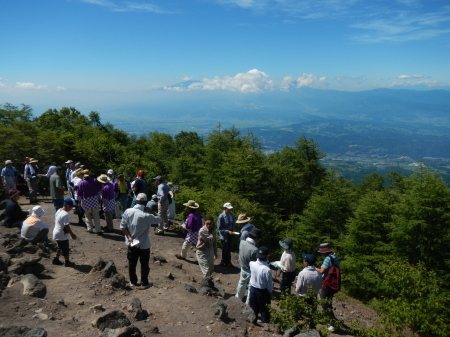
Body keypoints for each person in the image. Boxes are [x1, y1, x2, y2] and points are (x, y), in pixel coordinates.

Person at [120, 193, 161, 289]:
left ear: (136, 201)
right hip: (144, 244)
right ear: (145, 203)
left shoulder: (128, 211)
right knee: (144, 264)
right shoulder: (145, 215)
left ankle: (133, 282)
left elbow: (123, 226)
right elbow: (159, 219)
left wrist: (129, 237)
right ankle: (144, 283)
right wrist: (151, 212)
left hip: (131, 242)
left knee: (132, 263)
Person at [316, 243, 341, 332]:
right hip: (333, 283)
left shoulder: (327, 258)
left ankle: (332, 323)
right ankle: (332, 321)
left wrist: (313, 268)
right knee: (328, 302)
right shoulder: (335, 257)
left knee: (324, 302)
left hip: (327, 283)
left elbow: (322, 271)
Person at [235, 227, 261, 304]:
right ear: (256, 238)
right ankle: (248, 303)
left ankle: (238, 297)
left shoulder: (242, 242)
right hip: (251, 271)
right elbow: (256, 262)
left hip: (243, 267)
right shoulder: (254, 249)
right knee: (250, 287)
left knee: (241, 283)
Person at [249, 246, 273, 324]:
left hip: (253, 289)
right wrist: (270, 293)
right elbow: (269, 285)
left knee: (253, 308)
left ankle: (253, 322)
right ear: (267, 256)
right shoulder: (267, 269)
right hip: (262, 292)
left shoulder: (251, 264)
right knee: (265, 309)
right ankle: (265, 324)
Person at [52, 198, 77, 267]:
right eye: (72, 207)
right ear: (68, 206)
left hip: (56, 231)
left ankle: (55, 259)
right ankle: (67, 262)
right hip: (61, 233)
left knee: (60, 247)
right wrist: (72, 234)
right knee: (65, 248)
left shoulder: (59, 211)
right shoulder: (65, 214)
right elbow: (66, 225)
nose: (72, 209)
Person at [77, 170, 102, 234]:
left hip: (85, 200)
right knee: (96, 215)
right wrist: (99, 198)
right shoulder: (94, 181)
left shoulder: (81, 183)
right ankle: (98, 230)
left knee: (87, 215)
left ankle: (90, 228)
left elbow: (79, 194)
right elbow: (99, 190)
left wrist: (79, 202)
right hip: (94, 199)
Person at [217, 202, 236, 267]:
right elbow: (219, 228)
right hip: (224, 235)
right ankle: (223, 261)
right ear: (225, 209)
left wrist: (233, 228)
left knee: (229, 248)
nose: (230, 210)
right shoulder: (221, 217)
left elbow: (233, 223)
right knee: (225, 248)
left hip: (230, 234)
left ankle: (228, 262)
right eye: (228, 209)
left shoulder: (231, 215)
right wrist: (227, 231)